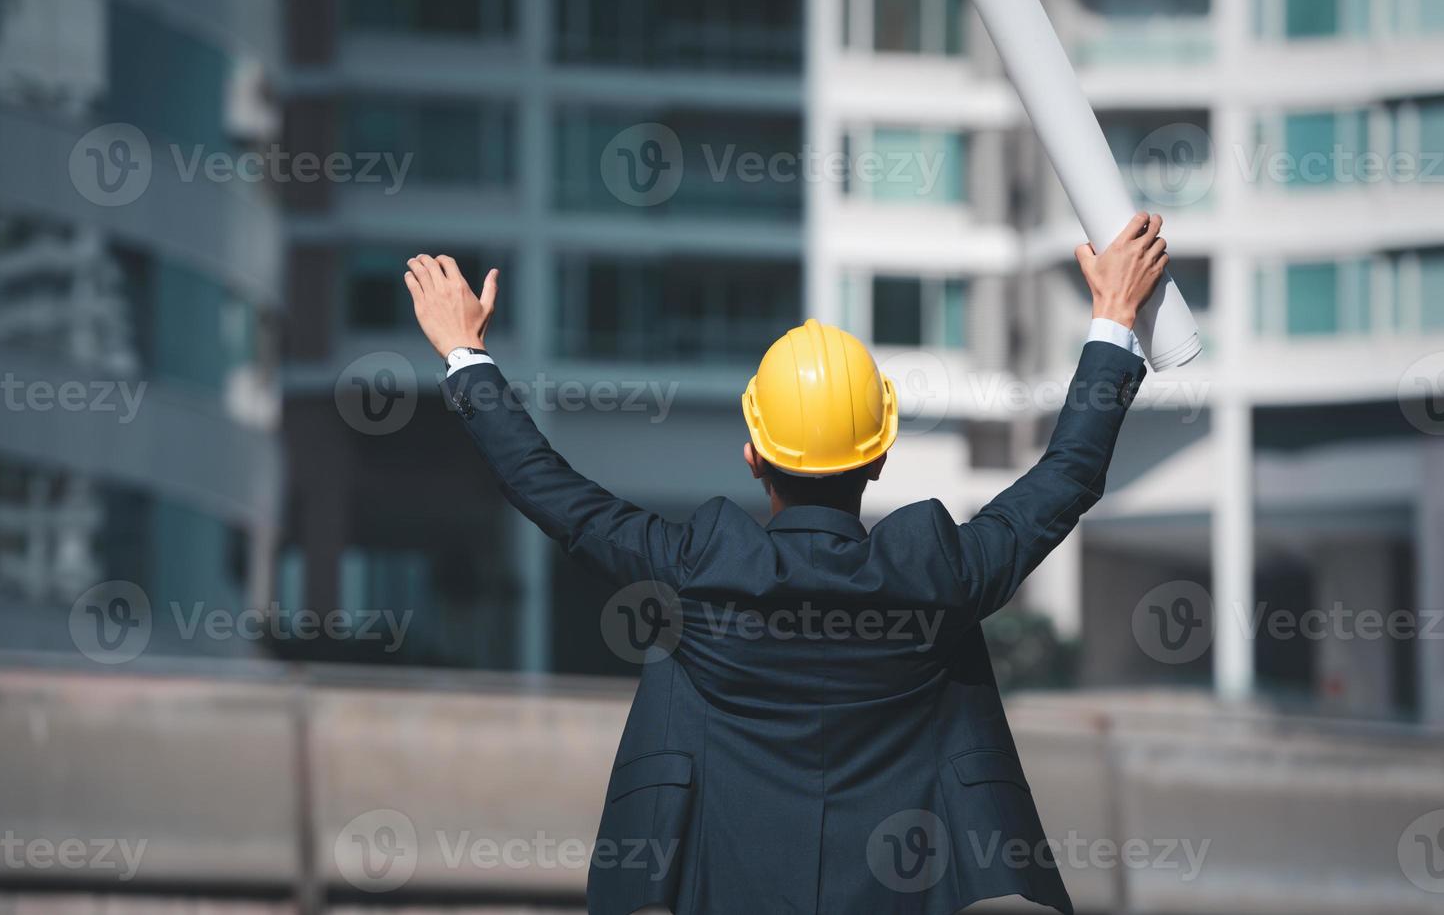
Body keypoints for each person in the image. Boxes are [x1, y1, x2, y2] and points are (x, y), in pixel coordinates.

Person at [404, 212, 1169, 915]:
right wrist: (1112, 318)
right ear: (879, 457)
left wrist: (465, 354)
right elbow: (1066, 477)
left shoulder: (696, 573)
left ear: (753, 456)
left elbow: (547, 488)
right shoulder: (937, 576)